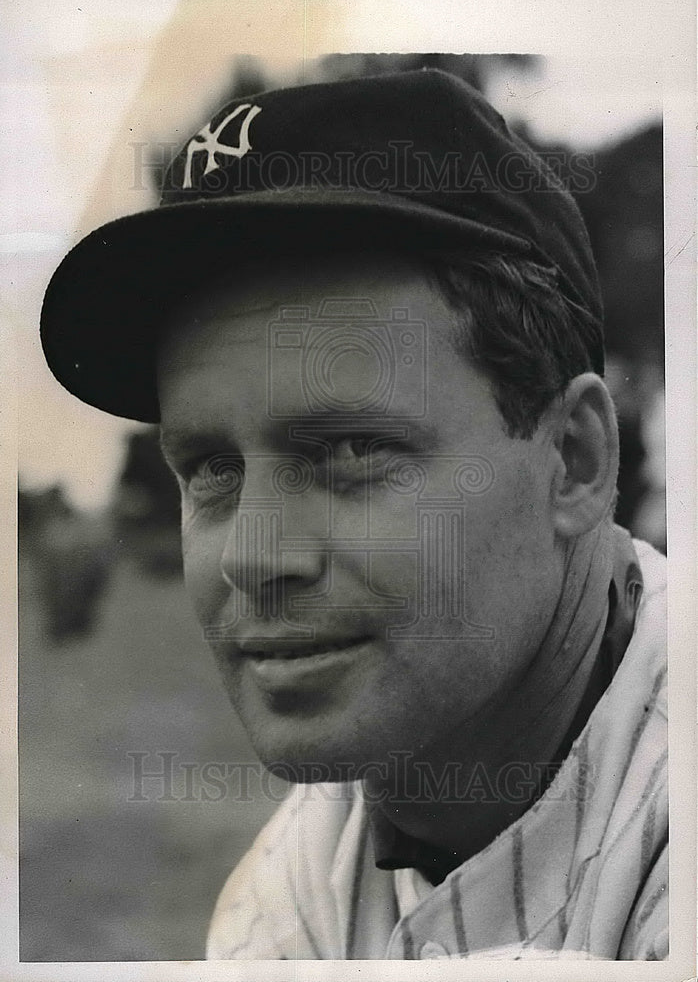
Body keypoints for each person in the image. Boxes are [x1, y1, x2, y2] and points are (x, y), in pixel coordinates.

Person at [40, 68, 667, 960]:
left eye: (350, 452)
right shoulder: (302, 872)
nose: (251, 558)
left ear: (573, 460)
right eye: (212, 468)